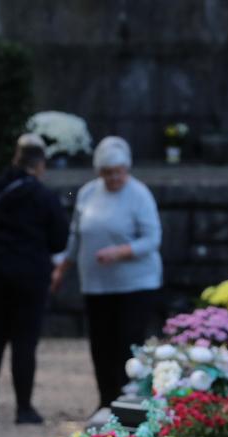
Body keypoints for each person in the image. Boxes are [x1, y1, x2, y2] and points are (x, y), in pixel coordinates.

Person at [51, 135, 163, 410]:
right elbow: (76, 235)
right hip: (97, 284)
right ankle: (106, 401)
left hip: (135, 284)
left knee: (128, 344)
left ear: (127, 168)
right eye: (107, 172)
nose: (113, 178)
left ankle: (130, 402)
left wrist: (120, 251)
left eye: (118, 172)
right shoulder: (88, 192)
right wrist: (62, 267)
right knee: (101, 346)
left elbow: (152, 239)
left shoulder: (139, 194)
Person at [0, 134, 67, 425]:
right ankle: (24, 407)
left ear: (16, 158)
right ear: (41, 164)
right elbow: (59, 240)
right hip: (29, 276)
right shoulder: (44, 196)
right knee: (24, 340)